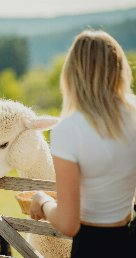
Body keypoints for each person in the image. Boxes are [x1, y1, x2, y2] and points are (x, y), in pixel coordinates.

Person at [30, 30, 136, 258]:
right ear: (119, 70)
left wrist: (43, 200)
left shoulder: (67, 130)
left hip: (91, 247)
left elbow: (69, 224)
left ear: (72, 74)